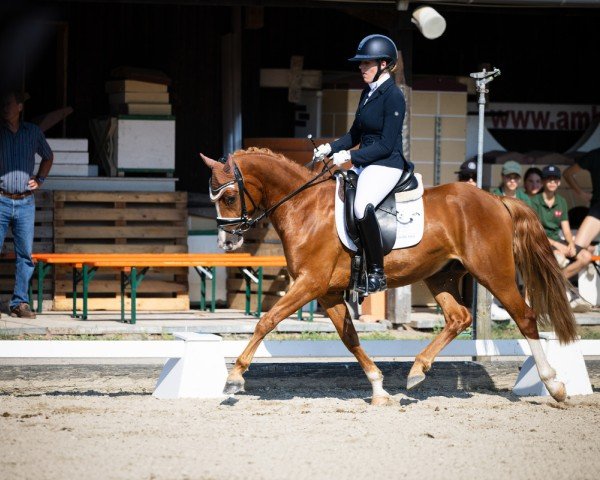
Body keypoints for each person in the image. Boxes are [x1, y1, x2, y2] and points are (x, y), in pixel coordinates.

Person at [313, 34, 407, 293]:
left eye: (367, 64)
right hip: (366, 161)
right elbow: (355, 134)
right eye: (361, 64)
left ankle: (377, 271)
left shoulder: (394, 97)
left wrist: (351, 157)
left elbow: (386, 145)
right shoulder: (368, 92)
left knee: (361, 206)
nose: (361, 68)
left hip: (386, 164)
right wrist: (330, 147)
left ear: (383, 64)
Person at [0, 89, 53, 318]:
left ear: (20, 107)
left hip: (24, 202)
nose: (5, 107)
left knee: (25, 255)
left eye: (9, 103)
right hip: (1, 199)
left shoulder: (32, 132)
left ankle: (19, 303)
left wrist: (39, 179)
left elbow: (48, 156)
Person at [530, 165, 592, 312]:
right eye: (549, 179)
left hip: (559, 241)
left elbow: (566, 228)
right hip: (542, 242)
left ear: (559, 182)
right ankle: (564, 297)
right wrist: (560, 246)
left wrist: (571, 243)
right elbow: (537, 232)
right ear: (544, 181)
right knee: (558, 258)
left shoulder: (561, 201)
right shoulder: (535, 201)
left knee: (586, 256)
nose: (552, 182)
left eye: (555, 179)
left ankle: (557, 286)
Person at [564, 148, 600, 251]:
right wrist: (581, 193)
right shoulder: (595, 155)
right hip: (598, 208)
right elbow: (567, 174)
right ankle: (595, 249)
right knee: (576, 250)